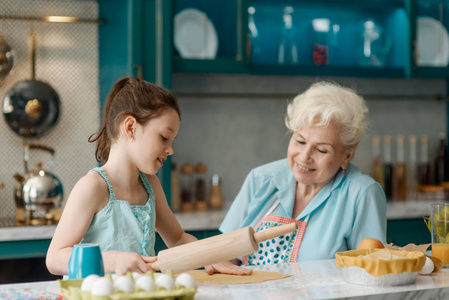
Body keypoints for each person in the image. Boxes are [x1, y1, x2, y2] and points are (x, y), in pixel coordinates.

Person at [46, 77, 251, 276]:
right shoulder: (93, 186)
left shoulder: (150, 185)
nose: (170, 150)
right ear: (130, 128)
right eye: (164, 137)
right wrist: (114, 260)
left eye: (172, 141)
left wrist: (209, 256)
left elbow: (177, 239)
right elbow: (55, 258)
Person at [220, 81, 387, 265]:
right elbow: (225, 255)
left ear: (347, 155)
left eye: (322, 150)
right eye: (300, 141)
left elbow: (369, 273)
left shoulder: (361, 194)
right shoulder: (260, 180)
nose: (305, 157)